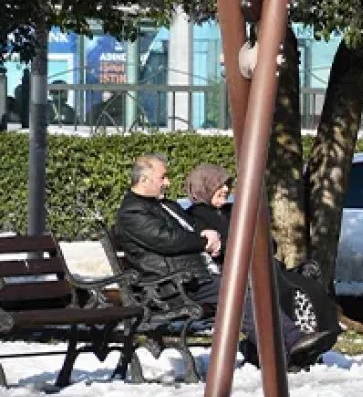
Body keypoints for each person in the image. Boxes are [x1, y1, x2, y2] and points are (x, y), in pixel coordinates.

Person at [114, 154, 309, 368]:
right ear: (144, 180)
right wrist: (203, 242)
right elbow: (168, 240)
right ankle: (290, 344)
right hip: (172, 287)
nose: (168, 182)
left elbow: (189, 228)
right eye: (163, 177)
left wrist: (207, 234)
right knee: (237, 294)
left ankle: (282, 351)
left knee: (251, 288)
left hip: (195, 276)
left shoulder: (164, 206)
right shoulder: (133, 212)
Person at [183, 162, 341, 369]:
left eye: (227, 185)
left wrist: (258, 242)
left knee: (303, 284)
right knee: (274, 285)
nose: (225, 190)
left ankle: (310, 338)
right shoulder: (196, 216)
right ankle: (289, 347)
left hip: (260, 265)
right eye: (218, 185)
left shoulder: (233, 210)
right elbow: (218, 248)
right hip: (233, 272)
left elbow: (266, 240)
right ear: (204, 187)